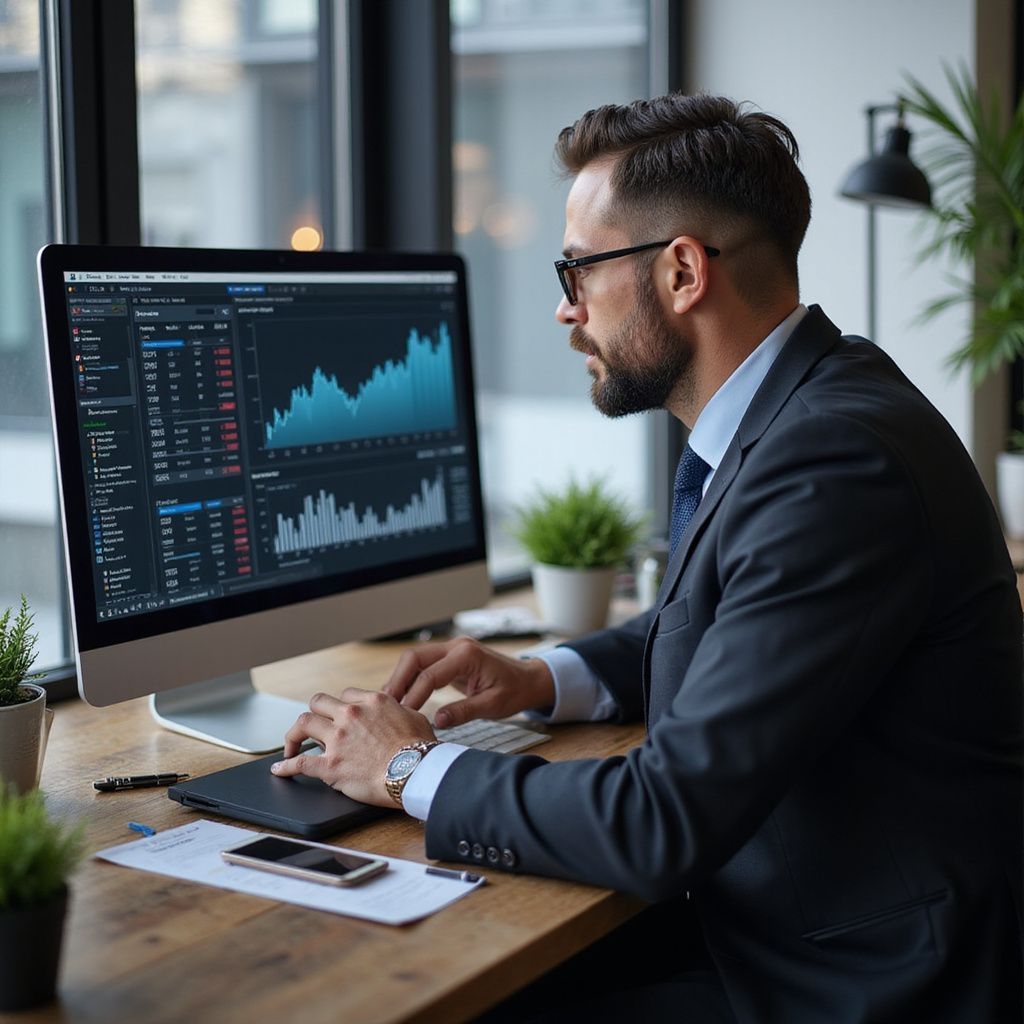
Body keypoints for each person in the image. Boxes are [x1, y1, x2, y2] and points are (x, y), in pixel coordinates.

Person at [272, 93, 1023, 1022]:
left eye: (578, 268)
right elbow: (732, 621)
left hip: (852, 980)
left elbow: (663, 822)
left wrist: (407, 770)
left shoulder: (835, 464)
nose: (562, 307)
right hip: (782, 921)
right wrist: (541, 677)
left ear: (680, 273)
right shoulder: (812, 405)